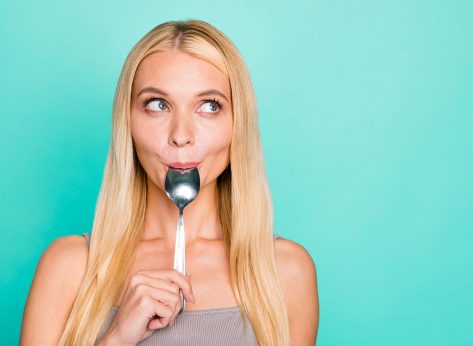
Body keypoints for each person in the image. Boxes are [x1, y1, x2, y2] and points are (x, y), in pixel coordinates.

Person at [20, 19, 319, 345]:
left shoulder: (286, 271)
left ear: (238, 124)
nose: (181, 136)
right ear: (128, 123)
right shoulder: (69, 268)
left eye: (209, 106)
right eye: (158, 105)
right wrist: (117, 338)